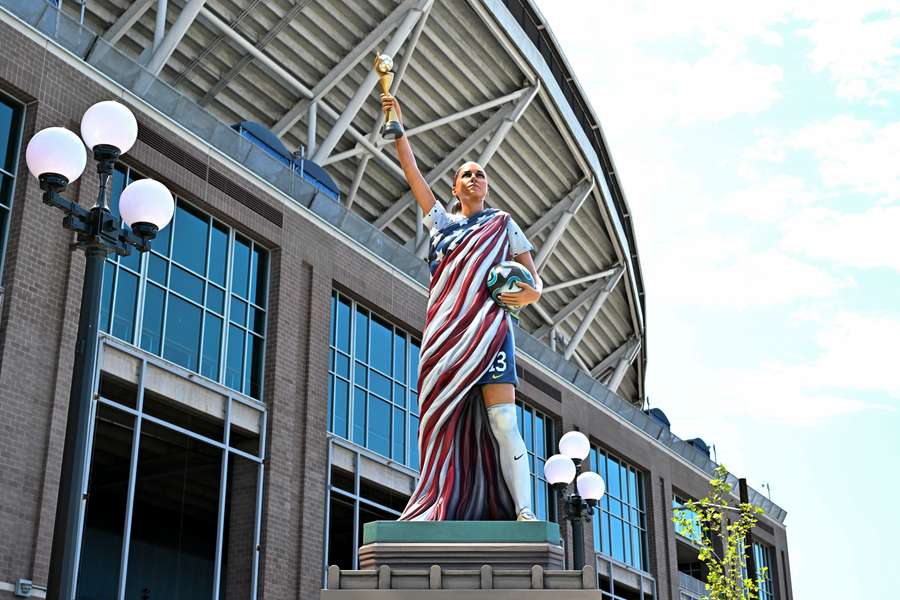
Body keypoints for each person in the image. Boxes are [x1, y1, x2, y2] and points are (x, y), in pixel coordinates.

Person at [382, 93, 543, 522]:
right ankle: (442, 501)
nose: (474, 178)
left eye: (480, 174)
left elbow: (536, 282)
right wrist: (399, 130)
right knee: (441, 424)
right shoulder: (442, 224)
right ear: (454, 188)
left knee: (505, 421)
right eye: (465, 174)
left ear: (487, 186)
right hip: (446, 336)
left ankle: (524, 511)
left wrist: (528, 294)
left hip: (491, 336)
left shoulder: (502, 224)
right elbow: (413, 175)